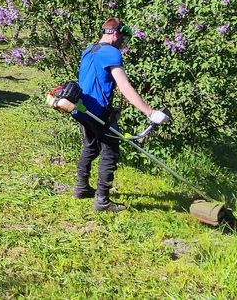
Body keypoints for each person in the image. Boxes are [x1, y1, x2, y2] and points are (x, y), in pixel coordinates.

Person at [72, 17, 169, 212]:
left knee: (90, 146)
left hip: (81, 109)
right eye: (123, 39)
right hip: (97, 112)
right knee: (110, 152)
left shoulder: (89, 49)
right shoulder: (111, 53)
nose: (123, 44)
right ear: (115, 33)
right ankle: (102, 201)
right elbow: (124, 86)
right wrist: (150, 112)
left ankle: (81, 188)